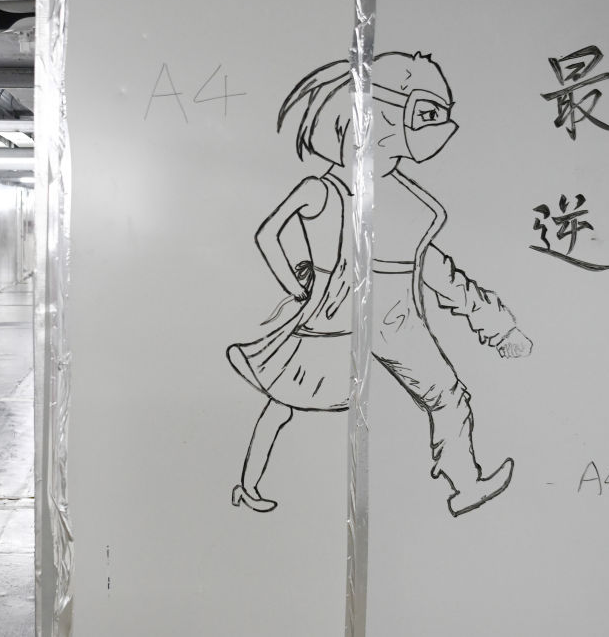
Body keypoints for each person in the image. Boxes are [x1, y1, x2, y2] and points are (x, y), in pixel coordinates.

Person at [227, 52, 533, 517]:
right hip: (344, 313)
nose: (439, 129)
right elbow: (270, 235)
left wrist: (496, 325)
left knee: (436, 396)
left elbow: (434, 268)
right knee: (286, 398)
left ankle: (465, 483)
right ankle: (251, 487)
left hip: (382, 313)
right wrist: (298, 282)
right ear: (384, 115)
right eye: (428, 113)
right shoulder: (328, 188)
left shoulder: (399, 197)